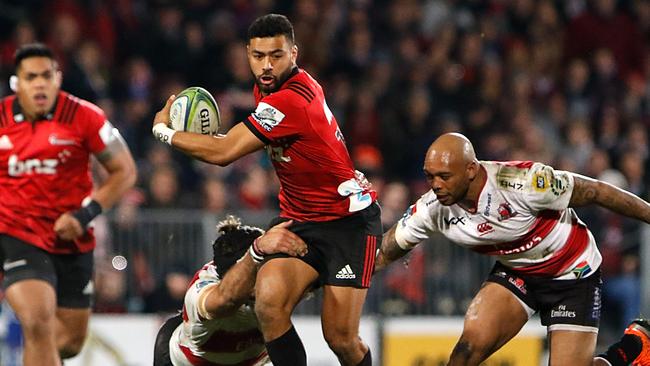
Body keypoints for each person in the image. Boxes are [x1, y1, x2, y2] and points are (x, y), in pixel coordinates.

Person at [152, 14, 381, 366]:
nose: (267, 65)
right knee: (269, 305)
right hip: (300, 219)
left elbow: (225, 153)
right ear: (247, 54)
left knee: (341, 339)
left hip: (346, 224)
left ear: (294, 53)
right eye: (258, 56)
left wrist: (165, 132)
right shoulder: (268, 89)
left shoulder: (291, 100)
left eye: (276, 55)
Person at [375, 132, 650, 366]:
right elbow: (386, 251)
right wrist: (344, 275)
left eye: (444, 176)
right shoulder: (431, 209)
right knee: (465, 352)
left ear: (471, 170)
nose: (436, 185)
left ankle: (633, 349)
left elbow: (597, 191)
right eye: (430, 177)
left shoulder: (524, 182)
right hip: (519, 274)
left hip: (573, 276)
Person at [0, 43, 137, 366]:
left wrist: (86, 213)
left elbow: (125, 171)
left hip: (71, 237)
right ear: (17, 83)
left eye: (46, 75)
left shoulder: (84, 116)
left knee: (68, 343)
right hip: (17, 235)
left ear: (58, 78)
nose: (39, 84)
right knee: (37, 320)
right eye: (31, 77)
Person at [153, 215, 308, 366]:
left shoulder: (274, 279)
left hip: (253, 360)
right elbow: (226, 299)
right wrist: (257, 250)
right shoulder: (202, 289)